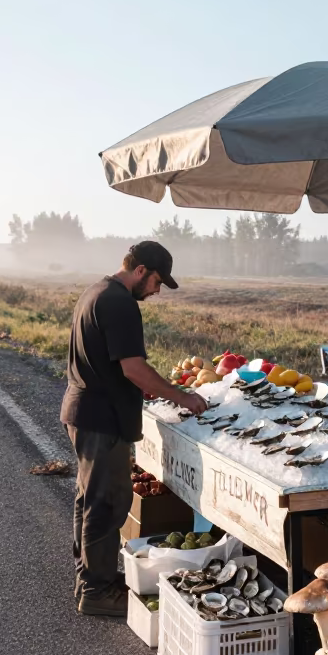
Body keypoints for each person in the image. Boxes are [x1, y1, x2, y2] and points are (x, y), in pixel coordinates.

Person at [60, 240, 208, 616]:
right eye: (158, 281)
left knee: (88, 499)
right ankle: (98, 591)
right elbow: (133, 369)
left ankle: (89, 576)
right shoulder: (120, 303)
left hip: (83, 412)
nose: (157, 291)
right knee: (107, 504)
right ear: (141, 270)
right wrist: (183, 397)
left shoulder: (96, 291)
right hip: (102, 419)